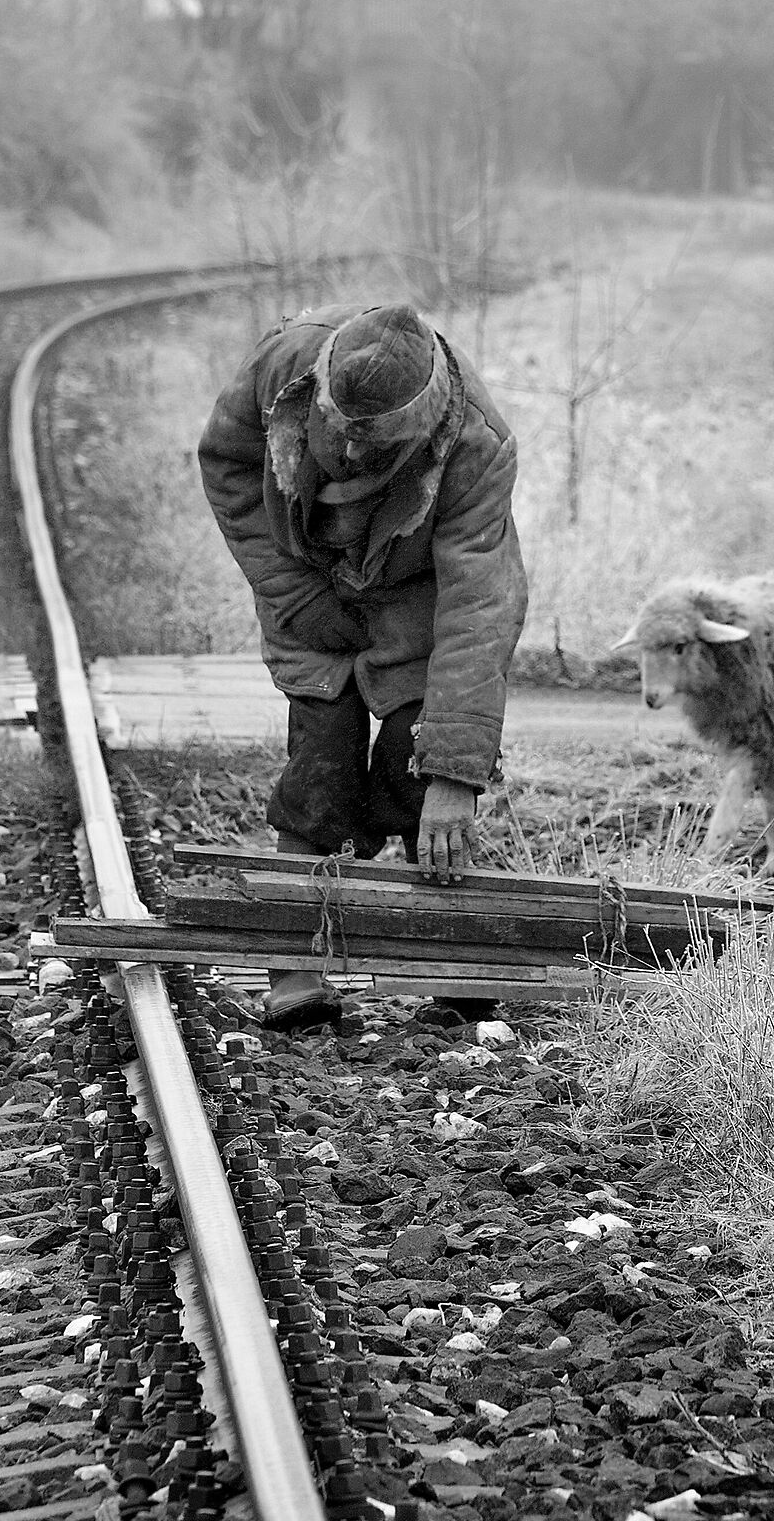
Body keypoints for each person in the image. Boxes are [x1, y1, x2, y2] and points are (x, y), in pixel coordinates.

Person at [197, 301, 528, 1031]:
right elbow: (226, 464)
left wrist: (456, 775)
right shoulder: (282, 364)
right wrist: (289, 589)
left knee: (420, 770)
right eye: (337, 442)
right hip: (307, 582)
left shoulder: (477, 446)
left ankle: (453, 962)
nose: (348, 460)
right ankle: (296, 965)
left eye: (368, 455)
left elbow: (480, 609)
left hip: (416, 600)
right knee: (319, 764)